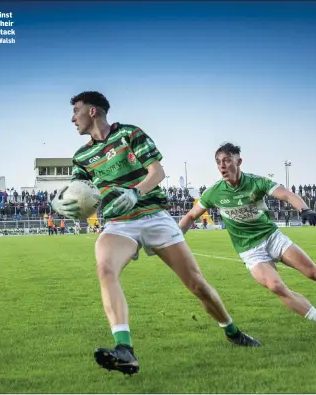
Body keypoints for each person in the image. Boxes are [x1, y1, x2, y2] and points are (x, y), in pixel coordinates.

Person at [53, 92, 260, 375]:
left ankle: (232, 331)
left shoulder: (130, 134)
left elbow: (157, 172)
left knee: (197, 284)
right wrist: (66, 203)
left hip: (154, 216)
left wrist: (136, 192)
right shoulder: (81, 157)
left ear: (92, 111)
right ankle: (124, 349)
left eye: (76, 110)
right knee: (105, 269)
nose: (72, 118)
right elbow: (81, 196)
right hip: (118, 223)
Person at [179, 143, 316, 333]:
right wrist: (174, 238)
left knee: (314, 274)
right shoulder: (214, 192)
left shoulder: (255, 182)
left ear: (239, 161)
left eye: (227, 160)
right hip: (249, 250)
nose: (222, 166)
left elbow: (286, 194)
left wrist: (304, 209)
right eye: (218, 162)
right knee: (275, 286)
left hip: (272, 238)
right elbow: (189, 216)